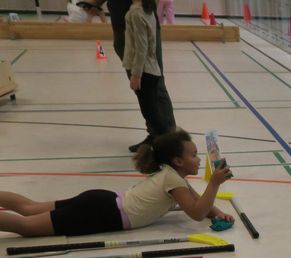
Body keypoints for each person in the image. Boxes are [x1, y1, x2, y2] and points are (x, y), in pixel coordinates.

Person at [0, 129, 234, 238]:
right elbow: (196, 212)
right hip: (104, 212)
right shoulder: (173, 179)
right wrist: (214, 184)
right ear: (178, 161)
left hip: (103, 201)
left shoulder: (172, 175)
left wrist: (218, 213)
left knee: (30, 208)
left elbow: (197, 202)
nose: (199, 159)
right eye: (194, 155)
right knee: (26, 226)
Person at [107, 0, 174, 151]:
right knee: (146, 101)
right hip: (121, 26)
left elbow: (142, 48)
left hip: (145, 63)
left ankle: (169, 142)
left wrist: (136, 74)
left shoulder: (137, 13)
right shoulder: (134, 12)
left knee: (153, 99)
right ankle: (159, 137)